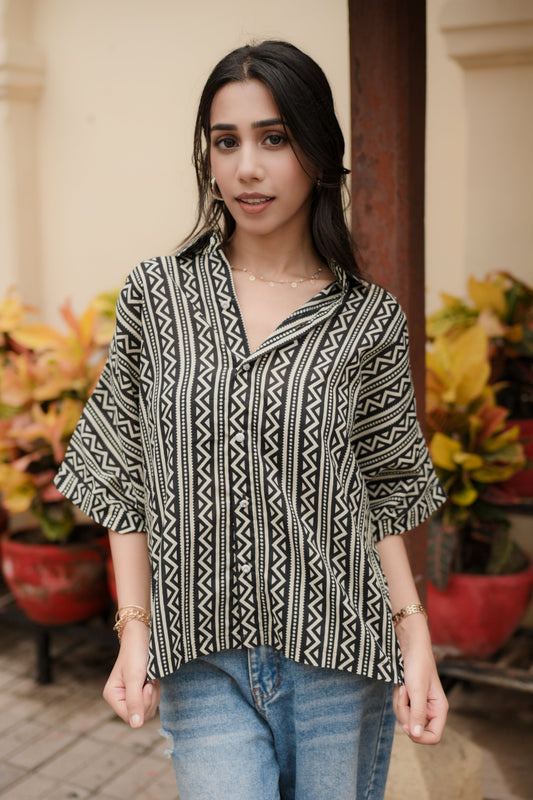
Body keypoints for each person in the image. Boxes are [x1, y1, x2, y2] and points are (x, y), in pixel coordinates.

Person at [55, 40, 448, 800]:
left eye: (273, 139)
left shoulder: (367, 320)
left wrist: (416, 640)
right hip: (200, 658)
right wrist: (133, 630)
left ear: (318, 151)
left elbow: (384, 492)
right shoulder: (157, 296)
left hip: (341, 657)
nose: (246, 168)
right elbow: (122, 472)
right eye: (225, 142)